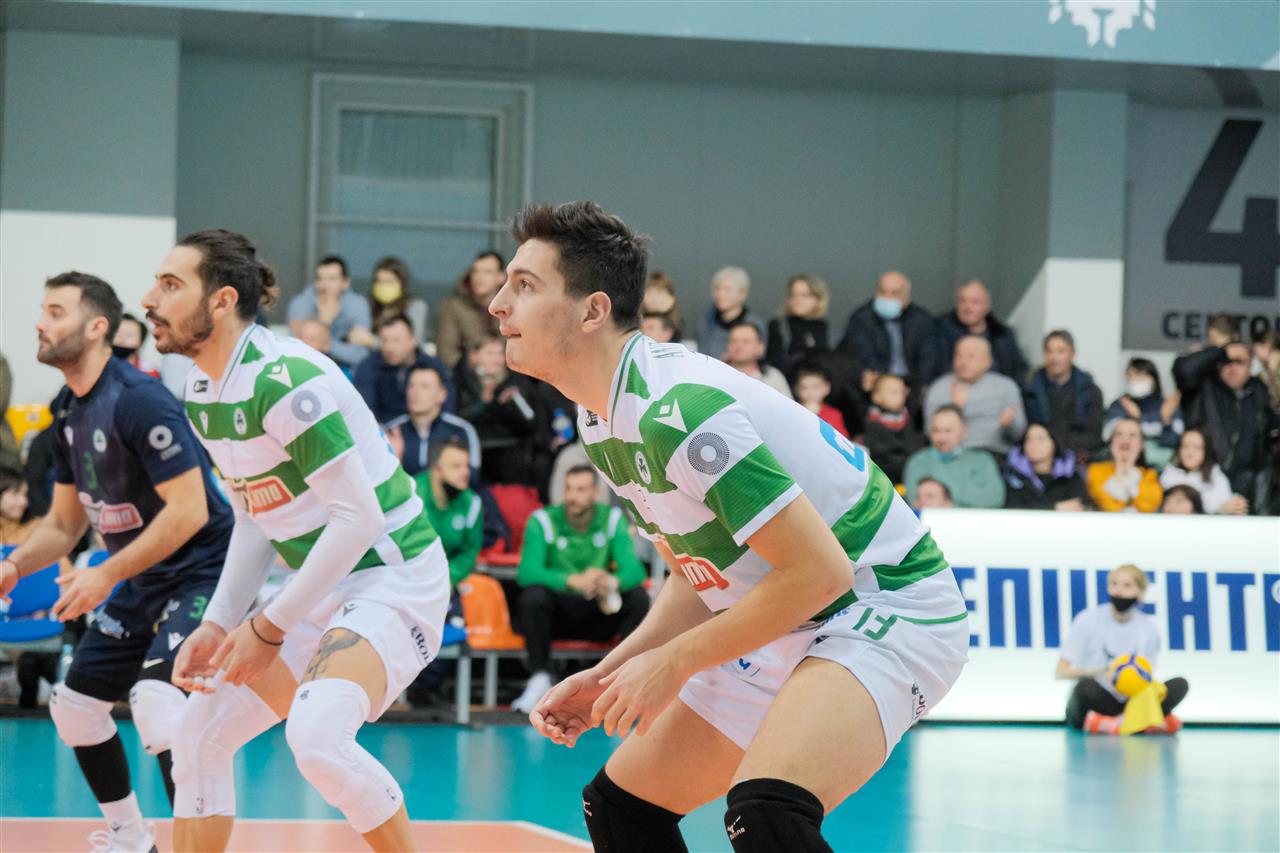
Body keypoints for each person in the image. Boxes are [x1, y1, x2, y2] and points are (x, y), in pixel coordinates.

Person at [490, 202, 968, 853]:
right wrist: (613, 670)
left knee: (767, 810)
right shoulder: (600, 418)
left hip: (884, 603)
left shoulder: (680, 411)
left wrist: (675, 663)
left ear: (593, 310)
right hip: (789, 613)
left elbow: (821, 572)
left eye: (523, 285)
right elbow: (697, 576)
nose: (497, 304)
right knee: (621, 806)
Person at [142, 229, 450, 852]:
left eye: (171, 285)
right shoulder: (201, 390)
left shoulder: (286, 381)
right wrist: (219, 621)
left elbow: (359, 519)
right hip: (317, 587)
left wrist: (267, 627)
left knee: (317, 739)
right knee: (197, 735)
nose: (150, 299)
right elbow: (254, 517)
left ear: (222, 300)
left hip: (393, 577)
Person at [0, 272, 235, 853]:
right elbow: (64, 524)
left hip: (203, 570)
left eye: (56, 312)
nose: (40, 322)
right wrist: (14, 566)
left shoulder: (138, 399)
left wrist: (105, 573)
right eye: (43, 310)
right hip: (141, 575)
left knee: (158, 705)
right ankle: (133, 839)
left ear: (96, 327)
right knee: (76, 710)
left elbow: (190, 512)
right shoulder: (66, 411)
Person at [513, 464, 650, 715]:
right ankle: (539, 678)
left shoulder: (612, 519)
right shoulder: (542, 520)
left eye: (580, 489)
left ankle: (619, 677)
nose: (572, 496)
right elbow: (527, 572)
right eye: (568, 489)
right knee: (533, 596)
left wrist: (609, 581)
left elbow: (635, 572)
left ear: (595, 493)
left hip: (597, 610)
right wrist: (571, 580)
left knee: (638, 598)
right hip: (558, 615)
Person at [1058, 564, 1187, 733]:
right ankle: (1144, 722)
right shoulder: (1088, 619)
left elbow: (1148, 675)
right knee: (1084, 688)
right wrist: (1100, 671)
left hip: (1131, 700)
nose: (1119, 591)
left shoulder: (1148, 628)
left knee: (1179, 685)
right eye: (1114, 584)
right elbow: (1060, 672)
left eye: (1127, 586)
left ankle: (1113, 723)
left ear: (1140, 592)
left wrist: (1133, 679)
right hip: (1100, 697)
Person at [1173, 341, 1275, 512]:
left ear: (1250, 366)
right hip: (1207, 481)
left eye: (1239, 362)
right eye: (1227, 362)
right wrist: (1221, 352)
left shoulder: (1259, 391)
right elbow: (1183, 370)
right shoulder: (1204, 386)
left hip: (1250, 485)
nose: (1232, 368)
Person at [0, 467, 70, 708]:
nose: (23, 502)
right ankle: (28, 666)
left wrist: (53, 604)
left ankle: (33, 666)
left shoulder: (40, 529)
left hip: (39, 615)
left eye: (25, 494)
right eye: (15, 494)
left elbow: (66, 573)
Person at [923, 335, 1026, 453]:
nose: (963, 362)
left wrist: (1008, 424)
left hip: (994, 454)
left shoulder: (1006, 387)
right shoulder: (939, 388)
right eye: (959, 355)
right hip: (950, 454)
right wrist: (956, 410)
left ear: (988, 361)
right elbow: (929, 431)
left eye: (971, 356)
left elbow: (1018, 434)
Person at [923, 279, 1029, 385]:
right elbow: (931, 372)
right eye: (962, 301)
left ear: (987, 306)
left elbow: (1018, 371)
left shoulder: (1002, 334)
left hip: (998, 391)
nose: (968, 307)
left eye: (975, 302)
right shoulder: (939, 331)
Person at [353, 313, 455, 425]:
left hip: (429, 430)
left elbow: (447, 407)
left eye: (396, 340)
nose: (390, 347)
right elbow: (365, 413)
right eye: (384, 340)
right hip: (384, 431)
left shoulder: (432, 366)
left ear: (413, 341)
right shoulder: (368, 367)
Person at [382, 365, 481, 478]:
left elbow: (473, 477)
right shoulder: (392, 431)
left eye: (425, 386)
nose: (415, 392)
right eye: (411, 386)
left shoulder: (461, 430)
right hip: (403, 489)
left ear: (442, 394)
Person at [837, 270, 933, 384]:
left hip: (913, 383)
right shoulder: (861, 319)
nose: (887, 297)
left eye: (894, 293)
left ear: (906, 296)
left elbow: (928, 360)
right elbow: (865, 358)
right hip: (878, 383)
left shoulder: (921, 320)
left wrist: (919, 385)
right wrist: (885, 383)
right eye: (882, 291)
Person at [903, 405, 1005, 508]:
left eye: (948, 431)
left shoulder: (983, 460)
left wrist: (947, 496)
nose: (941, 438)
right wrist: (971, 497)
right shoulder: (918, 462)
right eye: (936, 430)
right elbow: (915, 503)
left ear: (963, 431)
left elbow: (995, 498)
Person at [1023, 330, 1103, 461]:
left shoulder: (1090, 391)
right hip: (1038, 458)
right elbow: (1026, 431)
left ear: (1072, 354)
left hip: (1079, 458)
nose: (1054, 358)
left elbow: (1093, 436)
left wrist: (1057, 444)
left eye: (1060, 351)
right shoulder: (1029, 389)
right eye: (1049, 351)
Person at [287, 255, 375, 369]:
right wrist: (324, 324)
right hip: (308, 368)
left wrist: (323, 341)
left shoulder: (357, 304)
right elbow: (296, 351)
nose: (324, 285)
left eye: (331, 279)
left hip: (346, 370)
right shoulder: (301, 303)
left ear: (345, 283)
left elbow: (361, 356)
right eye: (320, 278)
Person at [1103, 357, 1183, 470]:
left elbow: (1173, 442)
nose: (1134, 379)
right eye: (1130, 375)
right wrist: (1140, 421)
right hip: (1123, 465)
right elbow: (1108, 436)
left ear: (1153, 378)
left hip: (1162, 468)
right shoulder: (1120, 404)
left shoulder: (1167, 404)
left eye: (1140, 375)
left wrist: (1165, 419)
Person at [435, 250, 505, 371]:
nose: (479, 277)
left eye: (487, 272)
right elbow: (446, 352)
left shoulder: (513, 307)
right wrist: (472, 364)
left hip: (509, 374)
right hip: (465, 375)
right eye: (475, 271)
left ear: (501, 277)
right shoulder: (453, 307)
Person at [1002, 423, 1089, 511]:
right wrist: (1054, 508)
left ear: (1054, 443)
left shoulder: (1071, 477)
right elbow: (1012, 507)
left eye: (1041, 439)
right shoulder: (1013, 477)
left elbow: (1077, 508)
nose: (1034, 444)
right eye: (1028, 439)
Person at [1158, 428, 1244, 515]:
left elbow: (1228, 503)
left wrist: (1236, 506)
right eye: (1185, 446)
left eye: (1197, 448)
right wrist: (1218, 509)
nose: (1190, 453)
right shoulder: (1169, 474)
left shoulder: (1216, 475)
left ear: (1206, 451)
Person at [1086, 418, 1163, 513]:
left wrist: (1129, 469)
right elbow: (1107, 505)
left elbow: (1147, 506)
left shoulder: (1150, 475)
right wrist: (1119, 469)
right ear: (1111, 442)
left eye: (1132, 435)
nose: (1125, 440)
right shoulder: (1095, 470)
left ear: (1141, 444)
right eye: (1119, 434)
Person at [860, 374, 923, 485]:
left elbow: (917, 382)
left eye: (903, 392)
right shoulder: (871, 422)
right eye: (894, 392)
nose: (900, 396)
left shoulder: (909, 416)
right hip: (884, 479)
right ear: (876, 397)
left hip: (908, 476)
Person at [765, 274, 829, 378]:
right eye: (793, 295)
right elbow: (774, 364)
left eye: (805, 295)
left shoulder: (822, 327)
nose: (798, 300)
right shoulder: (779, 326)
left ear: (818, 299)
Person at [696, 266, 766, 360]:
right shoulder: (705, 324)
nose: (720, 295)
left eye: (727, 290)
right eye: (717, 289)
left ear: (742, 293)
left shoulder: (755, 326)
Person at [368, 256, 428, 344]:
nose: (383, 286)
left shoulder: (415, 306)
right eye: (379, 281)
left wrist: (372, 341)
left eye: (389, 282)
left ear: (402, 283)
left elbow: (415, 341)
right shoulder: (368, 305)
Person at [724, 322, 792, 399]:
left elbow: (788, 406)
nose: (738, 346)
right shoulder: (718, 375)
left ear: (760, 347)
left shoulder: (773, 377)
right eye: (733, 341)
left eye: (745, 341)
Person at [792, 362, 848, 438]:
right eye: (804, 388)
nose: (810, 392)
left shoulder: (834, 415)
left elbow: (842, 440)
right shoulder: (794, 413)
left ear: (827, 388)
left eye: (815, 387)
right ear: (796, 390)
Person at [112, 313, 160, 378]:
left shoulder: (150, 374)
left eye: (129, 334)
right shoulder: (99, 368)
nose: (122, 338)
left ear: (140, 341)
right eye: (117, 333)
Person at [642, 271, 683, 342]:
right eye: (649, 292)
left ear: (671, 298)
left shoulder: (678, 325)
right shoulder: (635, 321)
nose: (653, 298)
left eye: (659, 292)